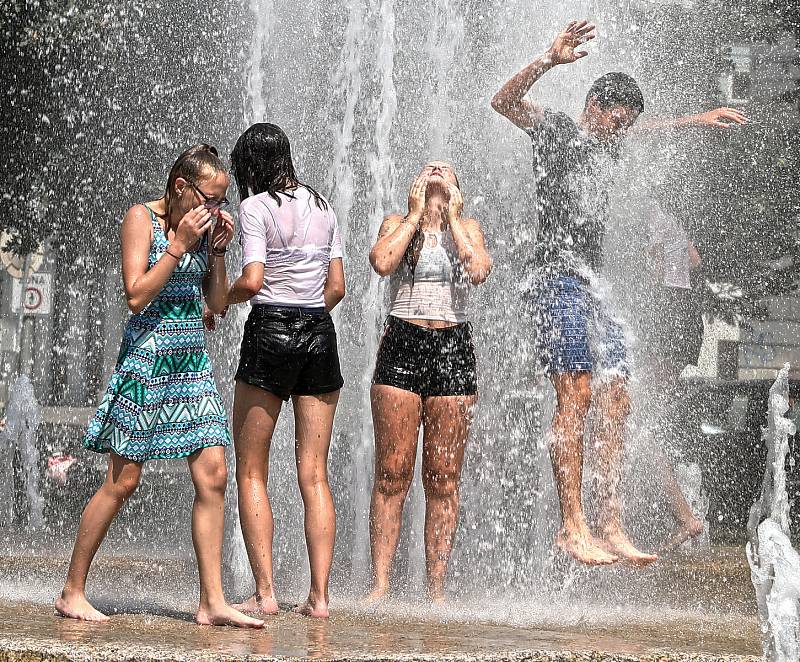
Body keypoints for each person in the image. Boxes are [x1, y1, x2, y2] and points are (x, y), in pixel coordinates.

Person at [491, 20, 746, 566]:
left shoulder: (613, 144)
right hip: (553, 280)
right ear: (594, 107)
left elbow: (649, 130)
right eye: (615, 119)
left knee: (618, 392)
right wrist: (547, 60)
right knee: (576, 394)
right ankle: (572, 526)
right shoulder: (557, 129)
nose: (620, 131)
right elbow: (503, 101)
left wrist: (696, 120)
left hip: (592, 287)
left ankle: (609, 522)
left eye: (626, 124)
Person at [55, 144, 263, 628]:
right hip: (147, 363)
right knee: (123, 480)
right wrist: (177, 246)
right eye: (209, 198)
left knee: (214, 475)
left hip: (192, 362)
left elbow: (215, 304)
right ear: (180, 188)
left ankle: (211, 601)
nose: (215, 209)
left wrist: (217, 253)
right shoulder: (140, 219)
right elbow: (135, 294)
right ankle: (72, 589)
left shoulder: (203, 230)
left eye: (221, 200)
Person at [226, 123, 345, 619]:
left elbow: (253, 280)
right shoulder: (323, 207)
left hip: (271, 331)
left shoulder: (254, 208)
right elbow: (336, 287)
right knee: (314, 475)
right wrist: (307, 312)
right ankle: (319, 597)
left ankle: (266, 592)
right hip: (319, 333)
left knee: (253, 469)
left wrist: (219, 300)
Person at [368, 161, 491, 602]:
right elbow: (382, 261)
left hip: (452, 346)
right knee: (391, 474)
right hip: (402, 340)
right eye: (428, 167)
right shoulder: (397, 223)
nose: (437, 169)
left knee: (443, 479)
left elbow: (478, 270)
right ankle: (380, 584)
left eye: (447, 170)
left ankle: (435, 588)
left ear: (458, 189)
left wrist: (453, 219)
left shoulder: (469, 227)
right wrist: (417, 215)